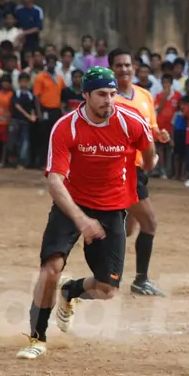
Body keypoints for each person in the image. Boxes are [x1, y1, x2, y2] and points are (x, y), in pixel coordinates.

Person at [16, 67, 155, 358]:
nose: (109, 100)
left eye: (113, 94)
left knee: (107, 290)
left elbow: (149, 153)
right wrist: (81, 219)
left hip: (113, 207)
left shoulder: (131, 122)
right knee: (51, 269)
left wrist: (150, 157)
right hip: (72, 204)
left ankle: (71, 292)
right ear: (86, 95)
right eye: (102, 94)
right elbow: (55, 181)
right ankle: (37, 338)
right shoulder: (67, 127)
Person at [110, 48, 171, 296]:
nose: (124, 69)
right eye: (119, 65)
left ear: (134, 67)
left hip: (142, 167)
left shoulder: (145, 95)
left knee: (127, 229)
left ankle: (111, 272)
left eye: (127, 65)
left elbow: (151, 127)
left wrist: (160, 135)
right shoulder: (109, 99)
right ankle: (139, 280)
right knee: (150, 223)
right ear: (111, 69)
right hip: (124, 169)